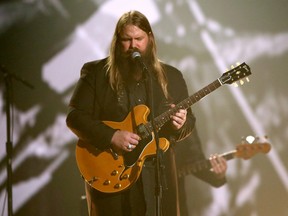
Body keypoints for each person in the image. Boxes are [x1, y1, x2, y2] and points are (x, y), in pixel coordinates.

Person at [66, 10, 227, 216]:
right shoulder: (96, 73)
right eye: (127, 39)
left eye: (139, 39)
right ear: (117, 41)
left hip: (158, 177)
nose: (133, 45)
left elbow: (188, 124)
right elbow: (75, 117)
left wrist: (180, 124)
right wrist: (112, 136)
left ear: (150, 39)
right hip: (112, 175)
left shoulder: (172, 76)